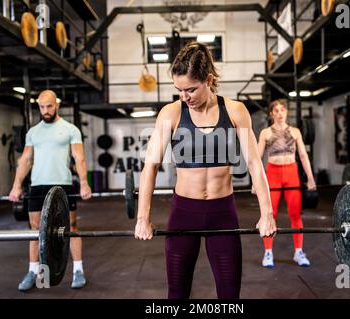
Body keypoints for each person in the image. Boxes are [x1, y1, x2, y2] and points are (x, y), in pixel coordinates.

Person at [134, 41, 277, 299]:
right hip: (184, 213)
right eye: (178, 90)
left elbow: (255, 163)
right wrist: (143, 217)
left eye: (190, 89)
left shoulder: (234, 111)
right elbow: (150, 167)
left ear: (208, 80)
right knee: (177, 294)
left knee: (229, 294)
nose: (184, 97)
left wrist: (267, 213)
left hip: (223, 213)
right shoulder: (171, 114)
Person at [9, 90, 92, 291]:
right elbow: (25, 160)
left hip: (62, 184)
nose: (45, 111)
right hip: (38, 185)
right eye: (42, 107)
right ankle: (34, 271)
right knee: (35, 229)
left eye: (49, 106)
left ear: (56, 105)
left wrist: (83, 182)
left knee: (70, 227)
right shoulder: (33, 132)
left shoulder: (70, 129)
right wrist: (16, 185)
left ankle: (78, 270)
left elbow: (78, 158)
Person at [255, 99, 316, 268]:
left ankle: (299, 252)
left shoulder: (295, 132)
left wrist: (310, 178)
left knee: (295, 214)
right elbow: (257, 159)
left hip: (291, 173)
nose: (280, 113)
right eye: (276, 110)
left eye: (282, 110)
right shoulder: (265, 133)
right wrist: (256, 182)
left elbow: (303, 156)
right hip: (272, 173)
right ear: (271, 114)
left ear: (286, 112)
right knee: (270, 214)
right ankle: (268, 252)